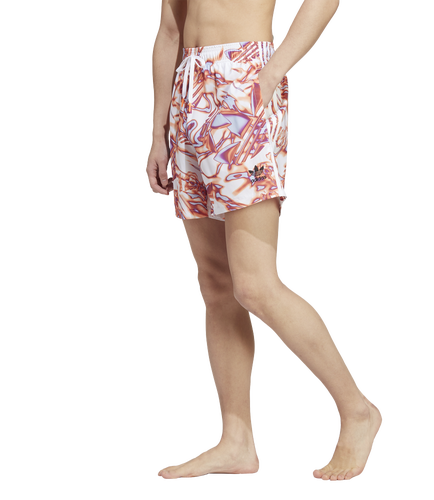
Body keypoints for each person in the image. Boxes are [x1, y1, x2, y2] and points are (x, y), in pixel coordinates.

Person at [145, 0, 384, 482]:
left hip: (243, 82)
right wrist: (159, 129)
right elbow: (169, 29)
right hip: (188, 91)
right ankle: (236, 441)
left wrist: (272, 70)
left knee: (256, 285)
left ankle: (358, 410)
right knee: (216, 283)